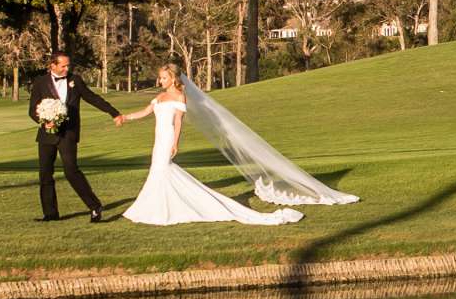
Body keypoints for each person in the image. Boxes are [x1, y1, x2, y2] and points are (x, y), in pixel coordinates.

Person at [121, 64, 324, 226]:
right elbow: (146, 112)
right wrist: (125, 117)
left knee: (162, 169)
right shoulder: (160, 97)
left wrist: (175, 143)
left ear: (173, 78)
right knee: (157, 170)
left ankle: (163, 207)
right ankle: (155, 205)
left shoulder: (179, 96)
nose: (160, 81)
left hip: (166, 139)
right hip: (158, 140)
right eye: (160, 78)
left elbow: (178, 122)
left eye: (164, 77)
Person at [27, 49, 122, 223]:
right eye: (63, 66)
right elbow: (32, 109)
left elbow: (92, 98)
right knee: (45, 174)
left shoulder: (75, 80)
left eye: (68, 65)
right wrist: (43, 121)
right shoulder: (40, 82)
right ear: (52, 65)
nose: (66, 69)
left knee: (71, 171)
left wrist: (113, 113)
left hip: (68, 133)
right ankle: (50, 214)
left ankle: (95, 206)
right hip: (46, 135)